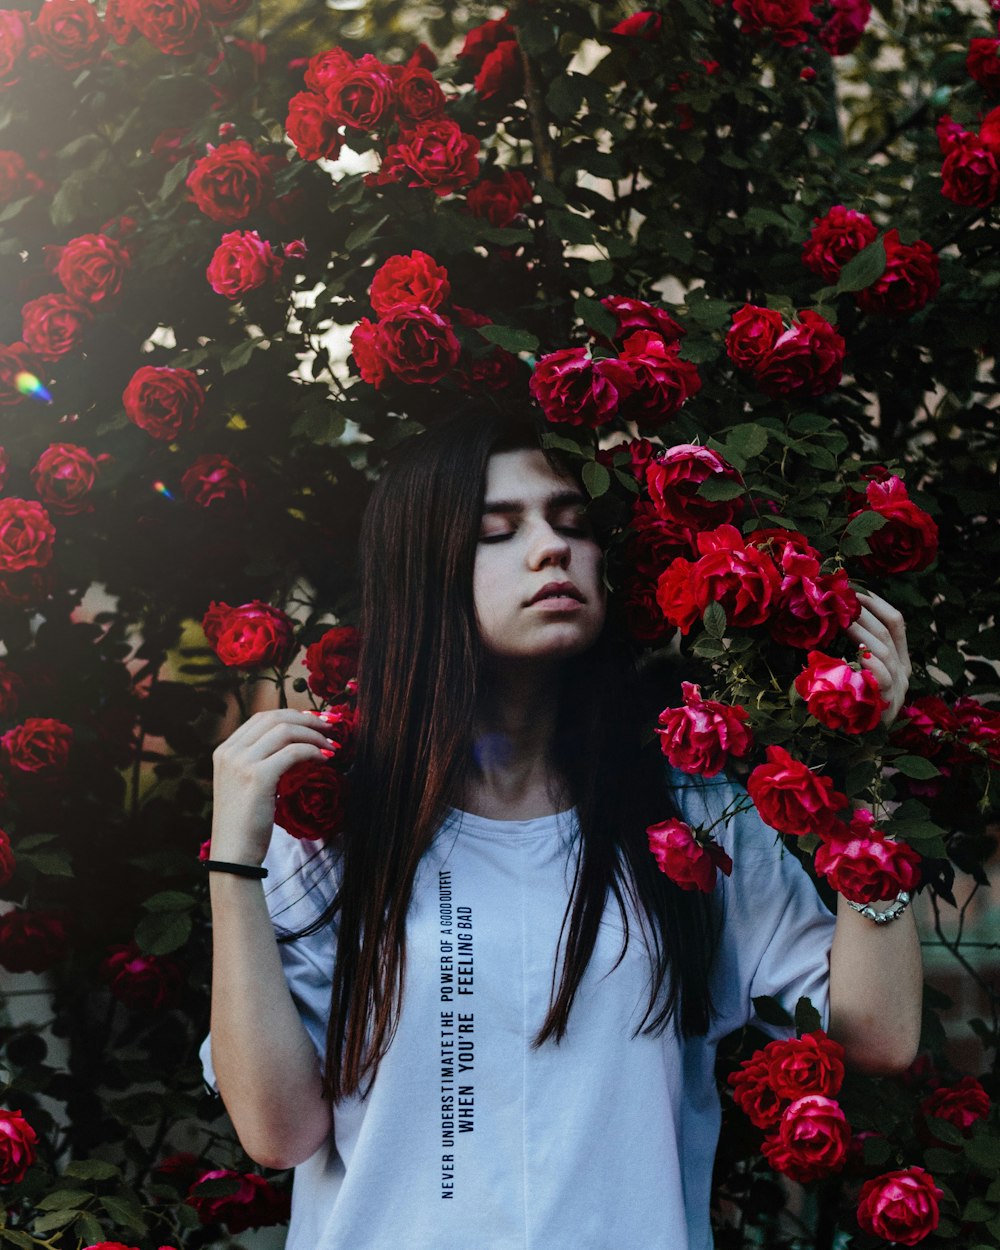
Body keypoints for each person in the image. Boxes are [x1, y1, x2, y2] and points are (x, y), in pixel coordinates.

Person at [202, 412, 922, 1250]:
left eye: (573, 525)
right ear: (423, 574)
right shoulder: (337, 822)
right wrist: (235, 863)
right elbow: (278, 1131)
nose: (551, 550)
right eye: (497, 533)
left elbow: (877, 1033)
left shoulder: (688, 812)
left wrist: (870, 773)